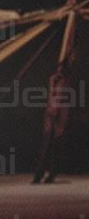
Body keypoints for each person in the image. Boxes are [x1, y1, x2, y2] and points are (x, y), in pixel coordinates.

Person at [33, 49, 77, 184]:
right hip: (53, 114)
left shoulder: (64, 81)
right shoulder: (56, 81)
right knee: (48, 146)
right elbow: (53, 97)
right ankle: (40, 175)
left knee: (54, 146)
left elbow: (60, 100)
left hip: (57, 115)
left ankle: (48, 174)